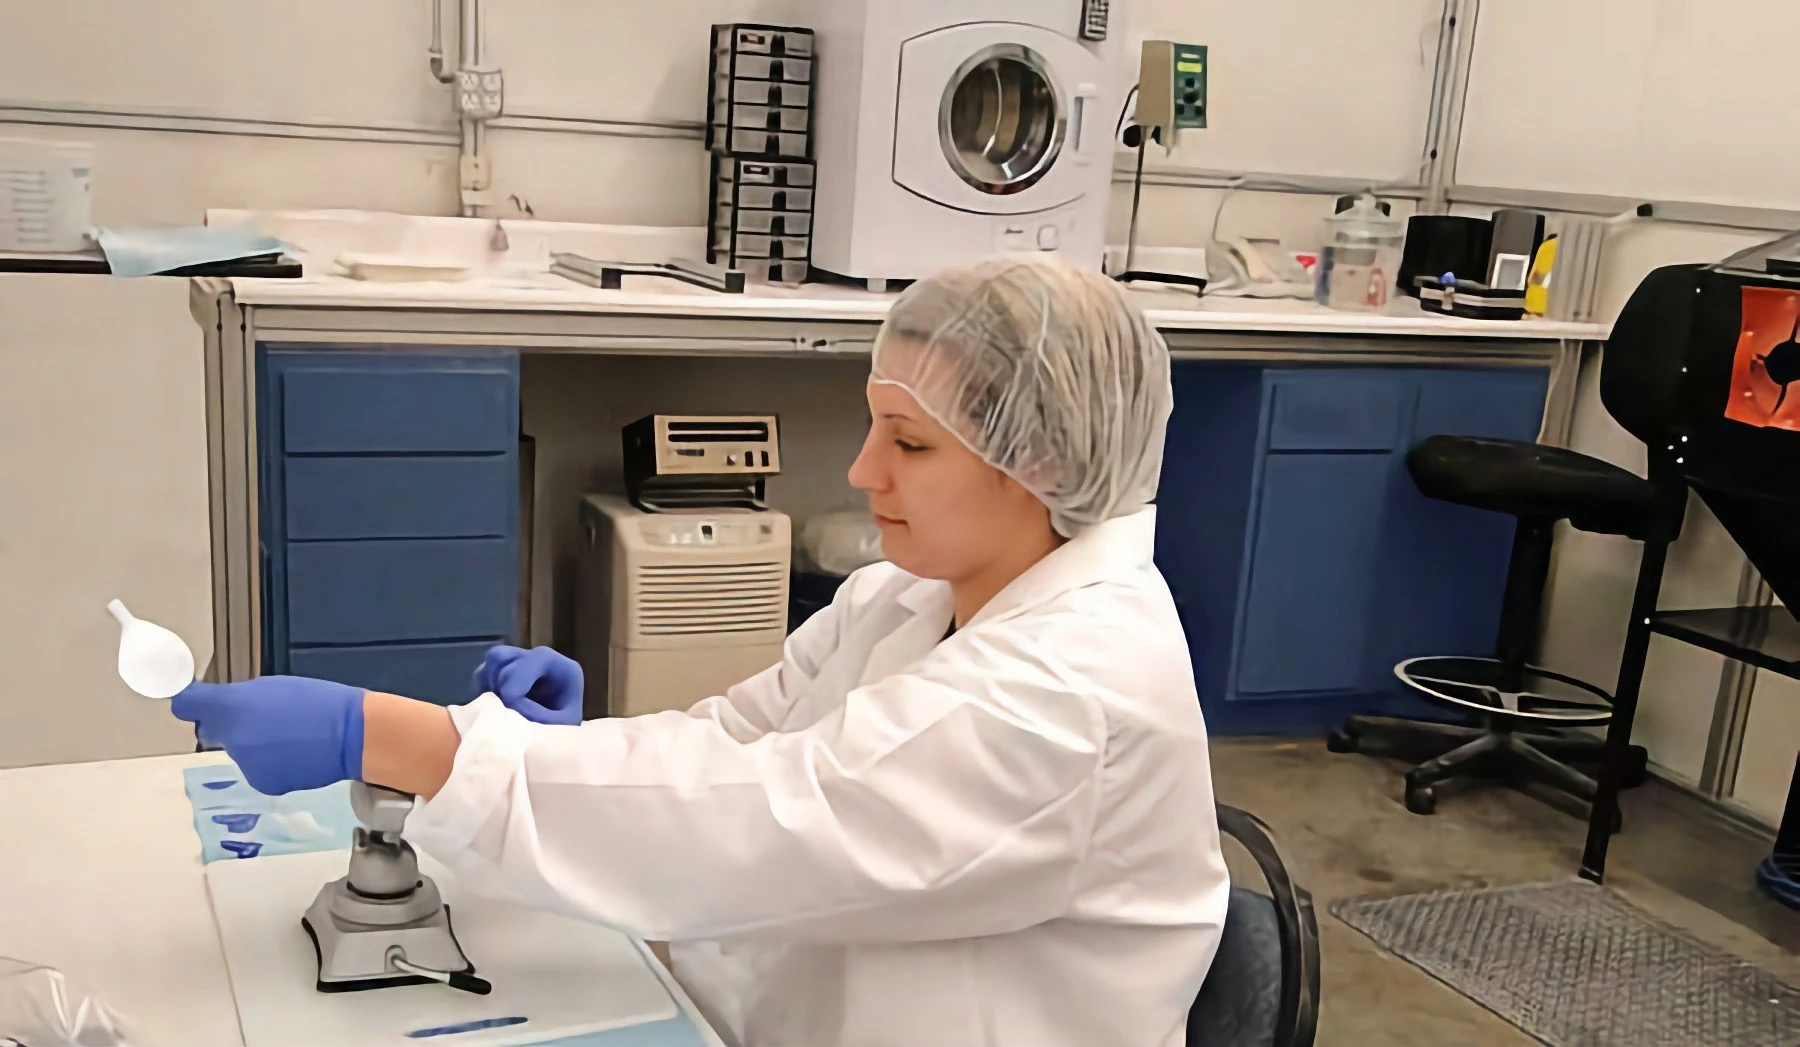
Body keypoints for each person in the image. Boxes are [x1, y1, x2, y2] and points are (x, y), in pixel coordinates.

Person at [172, 254, 1229, 1047]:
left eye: (909, 443)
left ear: (1037, 462)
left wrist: (405, 739)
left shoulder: (1067, 693)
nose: (863, 471)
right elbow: (740, 739)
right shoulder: (908, 597)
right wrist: (575, 747)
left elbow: (764, 820)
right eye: (875, 428)